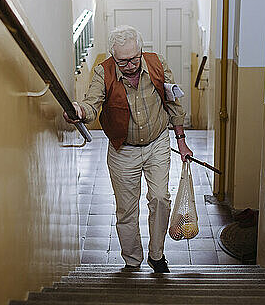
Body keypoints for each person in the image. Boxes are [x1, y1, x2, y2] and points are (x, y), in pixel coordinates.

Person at [64, 25, 193, 273]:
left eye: (134, 59)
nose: (130, 65)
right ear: (113, 56)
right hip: (123, 150)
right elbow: (92, 105)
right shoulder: (104, 72)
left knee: (159, 198)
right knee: (126, 210)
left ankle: (157, 255)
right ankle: (132, 261)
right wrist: (79, 111)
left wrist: (181, 140)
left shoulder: (156, 63)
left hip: (157, 143)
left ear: (140, 51)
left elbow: (173, 101)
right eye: (123, 61)